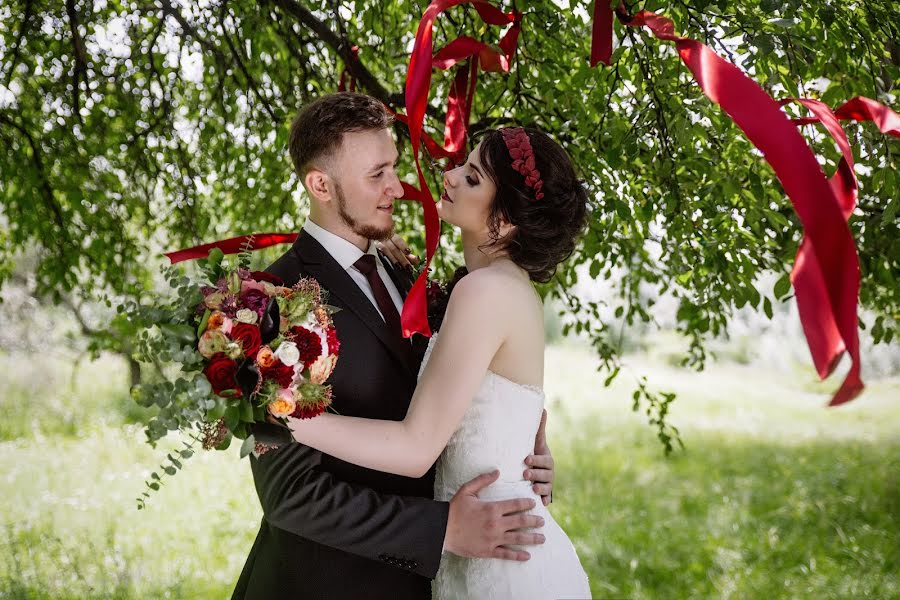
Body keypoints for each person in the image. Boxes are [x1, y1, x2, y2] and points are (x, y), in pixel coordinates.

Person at [231, 92, 557, 600]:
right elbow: (290, 498)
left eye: (395, 168)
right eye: (376, 174)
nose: (398, 188)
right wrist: (441, 529)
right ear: (320, 185)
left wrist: (521, 449)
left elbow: (466, 386)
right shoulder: (271, 306)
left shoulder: (406, 271)